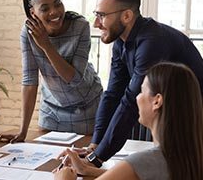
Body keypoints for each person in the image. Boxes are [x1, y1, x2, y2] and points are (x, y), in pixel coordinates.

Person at [79, 0, 203, 167]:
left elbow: (130, 100)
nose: (96, 23)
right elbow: (113, 93)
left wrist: (97, 159)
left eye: (102, 15)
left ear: (127, 16)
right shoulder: (121, 41)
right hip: (167, 115)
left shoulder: (152, 42)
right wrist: (94, 146)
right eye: (96, 14)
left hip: (193, 121)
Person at [0, 0, 102, 143]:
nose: (54, 12)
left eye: (58, 4)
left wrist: (46, 45)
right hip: (52, 109)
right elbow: (30, 81)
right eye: (45, 8)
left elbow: (73, 79)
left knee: (82, 163)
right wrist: (22, 132)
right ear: (33, 12)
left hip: (86, 107)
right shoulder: (28, 33)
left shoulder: (80, 26)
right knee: (45, 163)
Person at [55, 62, 203, 180]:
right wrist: (87, 170)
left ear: (157, 101)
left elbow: (139, 170)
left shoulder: (143, 162)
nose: (137, 98)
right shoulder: (190, 156)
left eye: (142, 91)